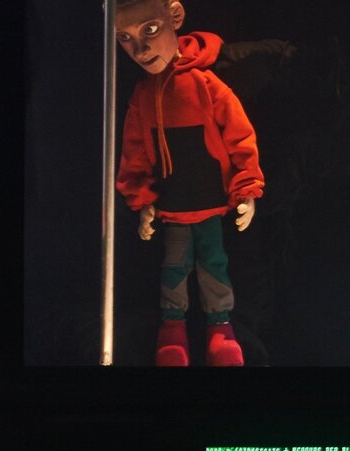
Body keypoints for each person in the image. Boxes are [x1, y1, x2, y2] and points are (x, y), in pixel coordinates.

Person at [115, 0, 264, 366]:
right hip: (173, 207)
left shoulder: (207, 84)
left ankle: (220, 327)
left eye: (150, 29)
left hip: (211, 203)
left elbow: (241, 137)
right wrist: (141, 201)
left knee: (214, 264)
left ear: (175, 17)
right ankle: (172, 328)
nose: (140, 49)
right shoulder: (142, 97)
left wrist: (247, 189)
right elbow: (134, 153)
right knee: (174, 266)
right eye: (124, 38)